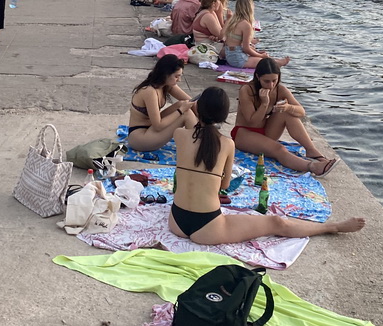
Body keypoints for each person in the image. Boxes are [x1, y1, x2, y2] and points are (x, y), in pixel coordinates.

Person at [169, 87, 364, 245]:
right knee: (276, 222)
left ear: (198, 109)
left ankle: (333, 227)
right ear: (223, 116)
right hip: (207, 226)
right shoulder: (227, 144)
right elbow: (225, 185)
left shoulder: (180, 135)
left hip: (176, 221)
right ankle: (333, 227)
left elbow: (193, 132)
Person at [230, 58, 335, 176]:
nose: (271, 85)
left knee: (287, 112)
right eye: (266, 81)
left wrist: (288, 107)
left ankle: (311, 150)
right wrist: (264, 103)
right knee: (279, 149)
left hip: (265, 132)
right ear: (258, 77)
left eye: (274, 80)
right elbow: (252, 122)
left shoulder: (280, 89)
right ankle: (313, 167)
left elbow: (301, 112)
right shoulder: (247, 90)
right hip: (244, 134)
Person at [126, 54, 197, 152]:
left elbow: (191, 101)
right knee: (186, 113)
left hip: (151, 129)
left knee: (185, 104)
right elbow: (158, 126)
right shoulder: (149, 91)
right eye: (176, 76)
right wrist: (180, 111)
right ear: (166, 74)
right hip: (139, 137)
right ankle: (197, 148)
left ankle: (202, 137)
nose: (179, 80)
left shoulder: (167, 84)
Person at [220, 0, 289, 68]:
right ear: (250, 9)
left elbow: (236, 44)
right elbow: (246, 48)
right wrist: (261, 56)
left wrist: (257, 53)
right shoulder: (246, 25)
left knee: (264, 57)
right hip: (238, 59)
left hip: (230, 55)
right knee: (267, 62)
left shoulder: (233, 21)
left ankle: (274, 60)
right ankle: (277, 63)